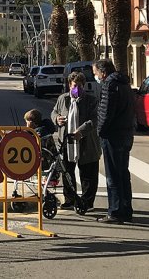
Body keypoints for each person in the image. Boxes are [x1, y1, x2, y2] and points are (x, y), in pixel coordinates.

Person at [51, 71, 101, 212]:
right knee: (67, 172)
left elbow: (95, 119)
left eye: (80, 86)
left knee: (88, 174)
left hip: (87, 143)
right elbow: (54, 112)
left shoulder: (91, 100)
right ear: (69, 85)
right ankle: (70, 200)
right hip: (67, 143)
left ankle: (87, 202)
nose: (77, 89)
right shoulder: (63, 99)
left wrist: (82, 131)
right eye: (74, 86)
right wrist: (56, 118)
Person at [93, 59, 134, 224]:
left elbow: (105, 112)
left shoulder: (109, 86)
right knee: (123, 173)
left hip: (113, 135)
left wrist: (100, 131)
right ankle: (126, 209)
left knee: (113, 176)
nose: (95, 77)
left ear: (103, 72)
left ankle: (115, 212)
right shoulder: (124, 84)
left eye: (96, 73)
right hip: (126, 133)